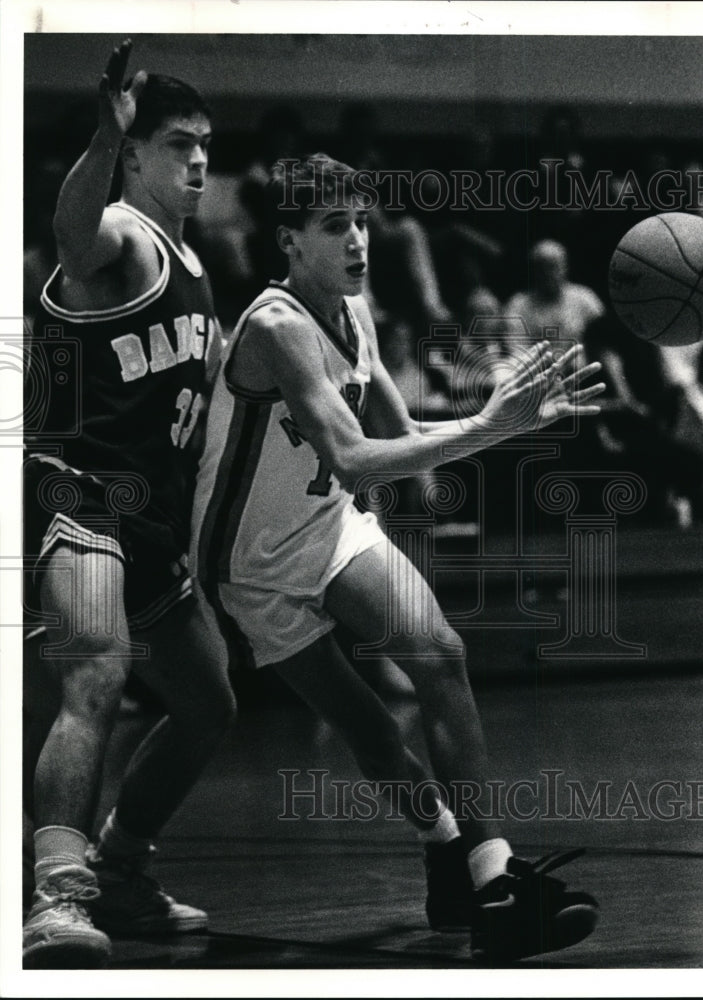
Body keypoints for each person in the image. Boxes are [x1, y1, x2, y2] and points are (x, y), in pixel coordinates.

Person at [191, 154, 605, 962]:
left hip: (330, 525)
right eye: (333, 225)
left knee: (440, 653)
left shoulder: (356, 312)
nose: (356, 241)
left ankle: (491, 879)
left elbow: (404, 444)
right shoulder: (275, 325)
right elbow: (351, 455)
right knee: (370, 729)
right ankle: (446, 852)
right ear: (289, 240)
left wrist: (508, 422)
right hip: (250, 559)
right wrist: (487, 426)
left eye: (362, 223)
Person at [22, 40, 235, 968]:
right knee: (98, 672)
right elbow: (70, 232)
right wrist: (98, 146)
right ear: (136, 153)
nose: (197, 160)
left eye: (205, 146)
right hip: (76, 493)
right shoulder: (115, 232)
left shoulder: (194, 268)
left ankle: (122, 868)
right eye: (178, 143)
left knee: (209, 701)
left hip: (151, 520)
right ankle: (57, 900)